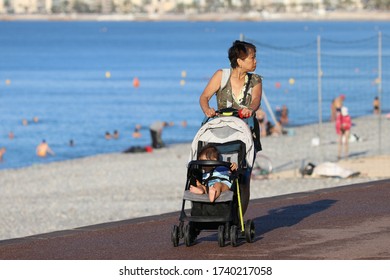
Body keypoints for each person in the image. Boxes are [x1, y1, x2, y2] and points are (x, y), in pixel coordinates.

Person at [199, 40, 262, 150]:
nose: (256, 61)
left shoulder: (255, 80)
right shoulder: (221, 76)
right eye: (252, 58)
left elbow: (256, 99)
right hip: (223, 131)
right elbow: (204, 97)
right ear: (240, 61)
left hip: (245, 131)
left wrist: (250, 109)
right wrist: (207, 109)